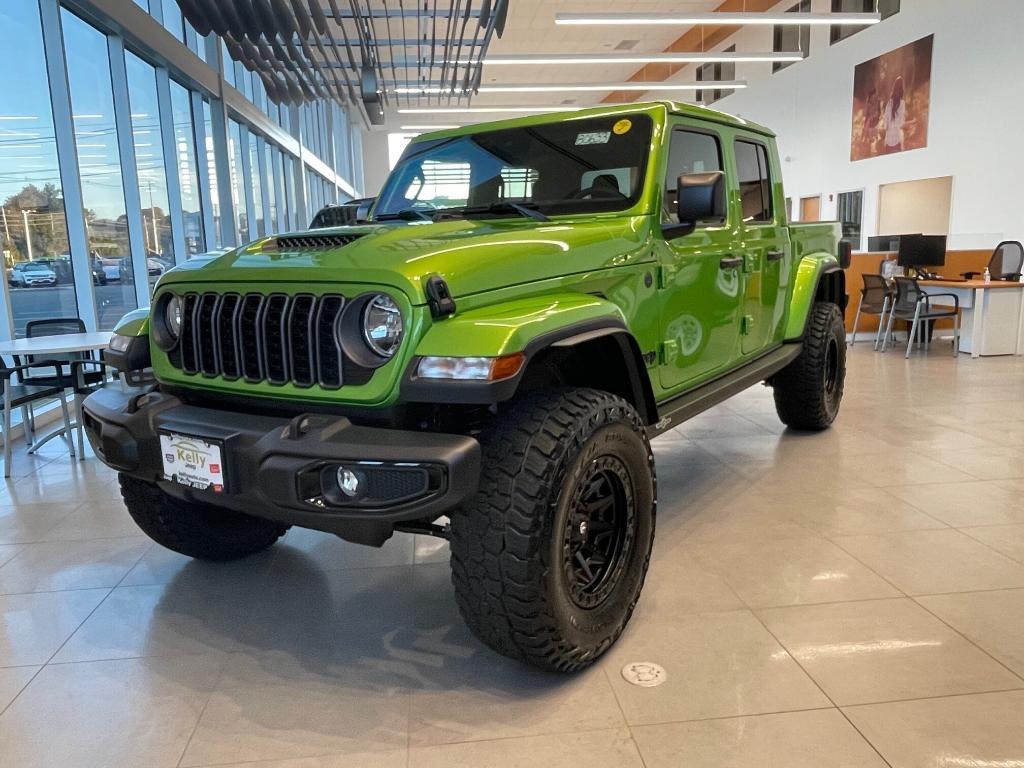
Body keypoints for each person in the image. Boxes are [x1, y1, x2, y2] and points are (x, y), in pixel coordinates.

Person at [882, 76, 907, 154]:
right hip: (897, 138)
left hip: (888, 139)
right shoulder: (902, 103)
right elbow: (901, 123)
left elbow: (885, 124)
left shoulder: (889, 103)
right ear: (902, 89)